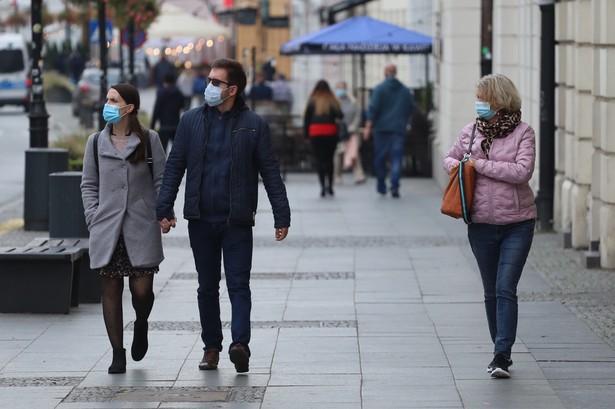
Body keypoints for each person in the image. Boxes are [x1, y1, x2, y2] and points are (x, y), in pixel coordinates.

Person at [156, 58, 291, 374]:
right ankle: (211, 348)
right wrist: (164, 208)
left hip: (237, 220)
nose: (209, 86)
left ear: (233, 89)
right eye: (209, 80)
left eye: (216, 82)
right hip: (201, 219)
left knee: (239, 285)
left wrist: (281, 214)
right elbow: (175, 166)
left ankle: (239, 344)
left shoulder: (254, 124)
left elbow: (270, 171)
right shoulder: (190, 121)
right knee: (206, 286)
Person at [443, 73, 537, 379]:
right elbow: (450, 158)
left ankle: (502, 355)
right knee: (490, 291)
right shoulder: (471, 131)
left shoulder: (524, 132)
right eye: (477, 98)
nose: (479, 103)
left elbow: (522, 172)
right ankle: (499, 346)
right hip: (481, 223)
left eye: (483, 98)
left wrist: (479, 165)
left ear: (499, 100)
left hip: (517, 222)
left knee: (505, 287)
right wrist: (456, 165)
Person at [80, 83, 167, 374]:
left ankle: (141, 323)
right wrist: (93, 217)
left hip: (140, 225)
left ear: (128, 108)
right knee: (111, 287)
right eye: (107, 98)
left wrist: (161, 213)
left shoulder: (150, 140)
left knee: (142, 291)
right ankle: (118, 352)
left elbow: (161, 182)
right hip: (107, 227)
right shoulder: (95, 142)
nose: (107, 103)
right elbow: (89, 185)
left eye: (113, 100)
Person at [363, 64, 415, 198]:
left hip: (381, 130)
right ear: (396, 73)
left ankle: (381, 185)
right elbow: (410, 109)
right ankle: (395, 186)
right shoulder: (405, 91)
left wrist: (368, 128)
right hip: (398, 129)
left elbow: (373, 110)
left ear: (385, 73)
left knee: (380, 159)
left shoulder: (379, 89)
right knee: (396, 159)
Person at [303, 79, 343, 197]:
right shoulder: (332, 101)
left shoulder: (312, 101)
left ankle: (322, 188)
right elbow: (340, 115)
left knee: (320, 161)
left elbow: (306, 120)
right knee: (330, 160)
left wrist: (306, 136)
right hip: (330, 132)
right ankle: (330, 186)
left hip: (316, 133)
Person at [333, 81, 365, 185]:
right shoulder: (334, 101)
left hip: (352, 132)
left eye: (342, 87)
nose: (340, 90)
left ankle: (359, 175)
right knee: (338, 154)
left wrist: (353, 126)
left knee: (354, 153)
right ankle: (336, 176)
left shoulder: (353, 101)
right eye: (338, 88)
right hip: (339, 132)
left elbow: (358, 115)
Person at [150, 73, 185, 153]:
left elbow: (157, 109)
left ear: (165, 82)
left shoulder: (161, 93)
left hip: (164, 126)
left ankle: (164, 165)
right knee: (177, 150)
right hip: (176, 125)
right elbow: (183, 106)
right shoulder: (179, 93)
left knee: (162, 151)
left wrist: (152, 125)